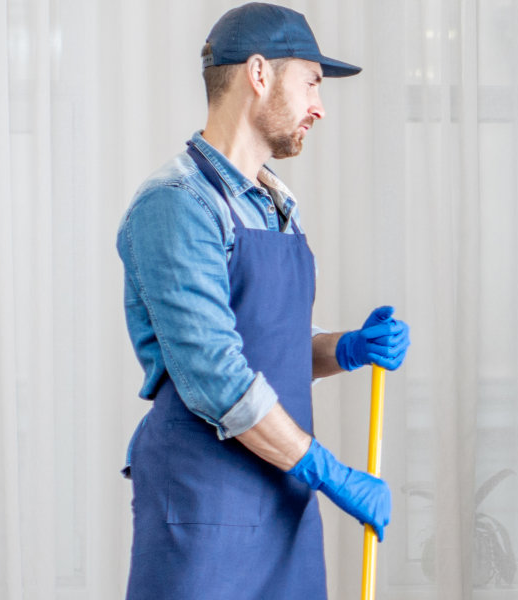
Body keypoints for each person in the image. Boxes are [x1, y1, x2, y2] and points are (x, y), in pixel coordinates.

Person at [116, 4, 410, 598]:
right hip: (208, 500)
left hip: (282, 495)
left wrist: (343, 348)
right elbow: (216, 376)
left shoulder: (274, 205)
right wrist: (331, 473)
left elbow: (270, 346)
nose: (319, 106)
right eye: (311, 82)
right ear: (258, 73)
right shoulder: (176, 205)